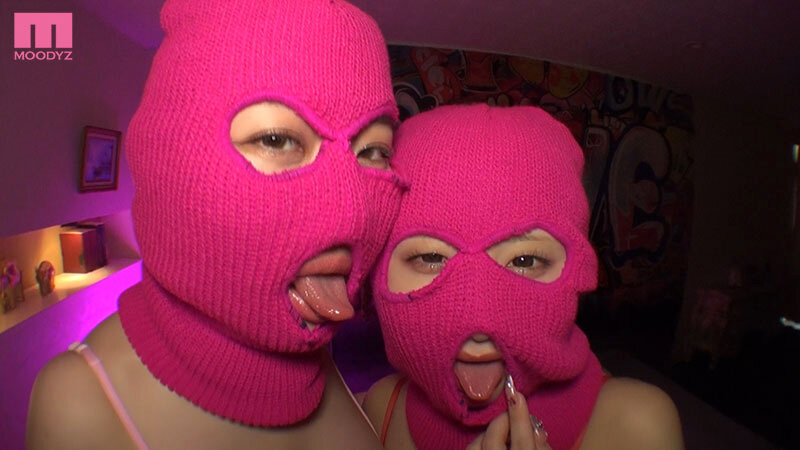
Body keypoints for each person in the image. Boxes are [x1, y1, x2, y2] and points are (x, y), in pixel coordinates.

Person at [26, 0, 407, 448]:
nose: (354, 213)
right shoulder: (78, 408)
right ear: (171, 158)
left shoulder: (319, 346)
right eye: (276, 139)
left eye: (373, 152)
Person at [363, 104, 684, 450]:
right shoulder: (380, 409)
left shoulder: (638, 427)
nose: (478, 318)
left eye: (524, 260)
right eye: (431, 257)